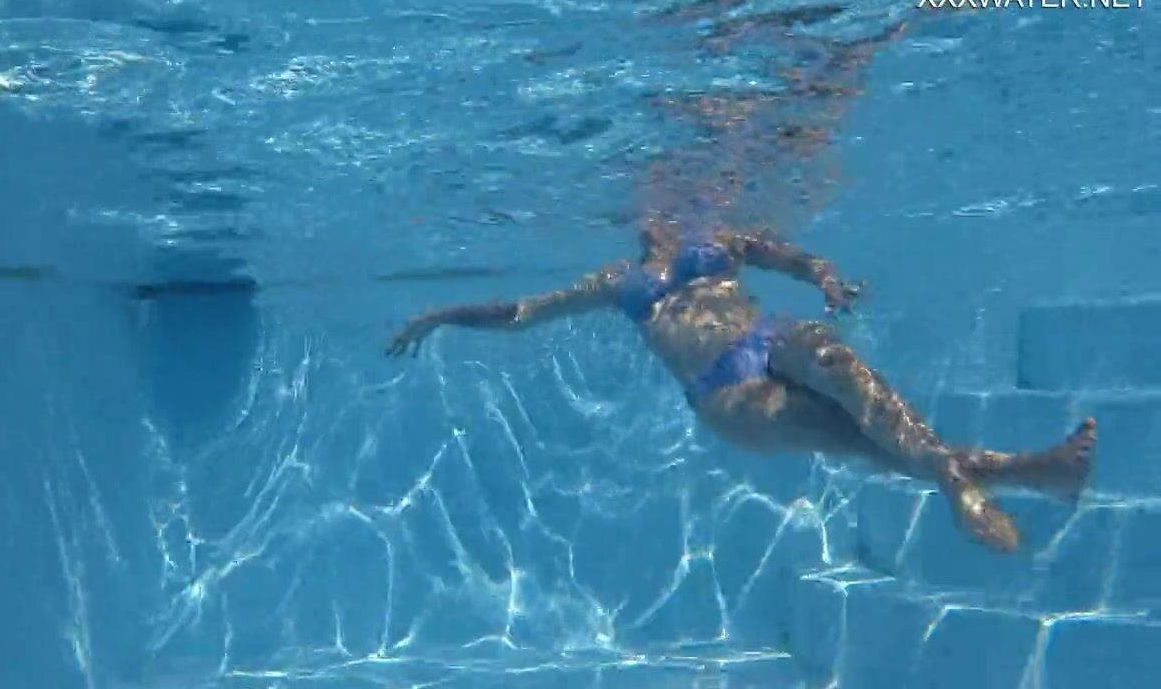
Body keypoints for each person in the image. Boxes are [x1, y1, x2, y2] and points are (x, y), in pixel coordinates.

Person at [386, 221, 1096, 553]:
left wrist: (824, 278)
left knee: (845, 369)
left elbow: (793, 258)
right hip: (723, 388)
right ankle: (1020, 473)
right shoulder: (614, 280)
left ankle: (1014, 477)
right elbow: (520, 314)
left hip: (773, 336)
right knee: (874, 447)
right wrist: (440, 315)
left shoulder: (720, 233)